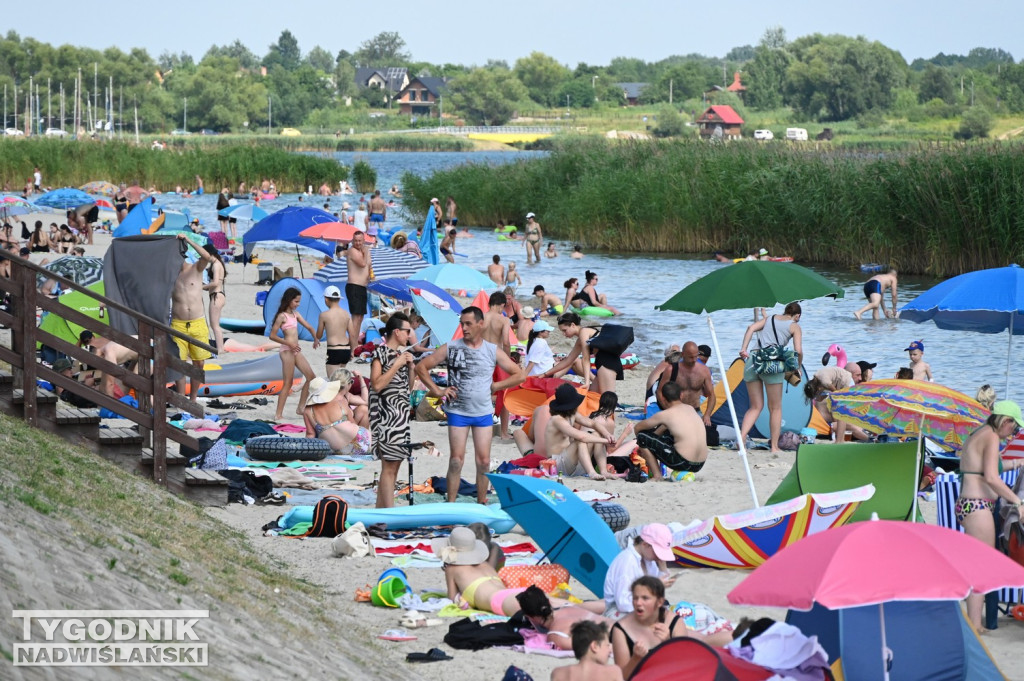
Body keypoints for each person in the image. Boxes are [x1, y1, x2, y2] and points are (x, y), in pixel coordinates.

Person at [415, 307, 525, 504]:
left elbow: (519, 374)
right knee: (456, 460)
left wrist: (496, 386)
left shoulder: (492, 350)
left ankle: (481, 501)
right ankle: (451, 503)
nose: (464, 328)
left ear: (480, 324)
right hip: (458, 411)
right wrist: (438, 391)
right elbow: (421, 367)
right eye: (462, 324)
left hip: (483, 412)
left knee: (483, 461)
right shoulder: (451, 347)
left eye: (468, 324)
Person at [957, 401, 1024, 630]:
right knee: (980, 567)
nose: (1012, 434)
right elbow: (992, 478)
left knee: (977, 565)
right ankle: (974, 625)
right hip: (977, 506)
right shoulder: (992, 436)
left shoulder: (981, 432)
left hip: (969, 504)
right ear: (1006, 421)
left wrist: (1016, 462)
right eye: (1014, 429)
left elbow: (985, 467)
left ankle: (974, 623)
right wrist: (1018, 502)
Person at [610, 577, 731, 678]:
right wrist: (636, 659)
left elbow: (685, 667)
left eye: (645, 598)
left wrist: (669, 644)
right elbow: (622, 677)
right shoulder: (621, 629)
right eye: (635, 598)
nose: (638, 603)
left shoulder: (674, 622)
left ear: (659, 602)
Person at [737, 303, 803, 453]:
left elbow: (751, 328)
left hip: (752, 360)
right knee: (775, 408)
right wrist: (797, 367)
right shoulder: (794, 326)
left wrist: (744, 348)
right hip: (772, 365)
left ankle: (741, 439)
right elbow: (798, 350)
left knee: (755, 406)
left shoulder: (769, 319)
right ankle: (774, 447)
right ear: (797, 316)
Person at [370, 313, 416, 508]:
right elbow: (377, 385)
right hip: (387, 419)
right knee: (389, 468)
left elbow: (408, 388)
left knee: (394, 468)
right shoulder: (380, 353)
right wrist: (396, 365)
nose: (410, 335)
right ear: (397, 332)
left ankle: (380, 512)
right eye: (407, 331)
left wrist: (411, 367)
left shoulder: (400, 356)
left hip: (401, 418)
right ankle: (388, 514)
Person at [433, 526, 525, 616]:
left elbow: (452, 599)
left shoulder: (451, 569)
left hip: (500, 602)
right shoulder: (486, 564)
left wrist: (464, 600)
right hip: (515, 593)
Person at [634, 382, 710, 480]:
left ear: (663, 398)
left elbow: (637, 428)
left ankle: (657, 476)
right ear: (681, 395)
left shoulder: (665, 415)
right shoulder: (690, 408)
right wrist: (652, 441)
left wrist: (642, 446)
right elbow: (665, 428)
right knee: (665, 433)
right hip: (699, 464)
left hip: (682, 462)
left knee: (642, 437)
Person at [171, 233, 214, 404]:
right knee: (178, 364)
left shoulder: (196, 268)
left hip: (197, 323)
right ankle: (181, 399)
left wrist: (188, 240)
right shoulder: (169, 275)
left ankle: (193, 399)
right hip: (178, 324)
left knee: (199, 364)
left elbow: (207, 257)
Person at [545, 383, 616, 480]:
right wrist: (606, 441)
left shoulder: (572, 414)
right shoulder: (557, 419)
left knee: (597, 433)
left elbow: (593, 424)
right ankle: (592, 473)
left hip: (571, 461)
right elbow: (581, 436)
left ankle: (603, 471)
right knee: (580, 441)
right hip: (557, 464)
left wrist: (607, 434)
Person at [268, 287, 319, 419]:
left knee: (311, 377)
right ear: (289, 300)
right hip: (286, 351)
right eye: (296, 301)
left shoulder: (295, 314)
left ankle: (300, 407)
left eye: (299, 301)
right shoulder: (282, 316)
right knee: (288, 383)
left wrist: (315, 338)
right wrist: (288, 343)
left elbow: (309, 326)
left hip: (296, 350)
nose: (298, 304)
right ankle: (278, 414)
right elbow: (272, 336)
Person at [603, 524, 676, 617]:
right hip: (618, 612)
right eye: (657, 552)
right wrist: (655, 587)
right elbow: (623, 603)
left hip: (638, 607)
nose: (658, 556)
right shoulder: (627, 561)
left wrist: (663, 566)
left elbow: (657, 589)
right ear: (645, 544)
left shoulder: (648, 560)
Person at [516, 587, 612, 654]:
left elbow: (591, 647)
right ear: (549, 602)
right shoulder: (569, 607)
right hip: (620, 625)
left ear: (530, 617)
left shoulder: (555, 635)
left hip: (615, 638)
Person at [544, 312, 620, 395]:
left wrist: (586, 382)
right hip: (604, 364)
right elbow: (568, 360)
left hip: (608, 365)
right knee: (593, 393)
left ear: (573, 325)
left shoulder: (584, 332)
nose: (564, 334)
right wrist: (545, 374)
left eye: (564, 330)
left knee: (606, 398)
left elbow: (585, 358)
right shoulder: (580, 339)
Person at [303, 373, 371, 456]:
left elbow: (310, 434)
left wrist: (306, 451)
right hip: (361, 442)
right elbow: (353, 424)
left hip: (338, 450)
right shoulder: (339, 401)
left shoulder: (307, 410)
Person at [656, 342, 715, 424]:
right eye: (691, 357)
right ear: (683, 354)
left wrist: (707, 415)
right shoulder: (671, 369)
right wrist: (667, 408)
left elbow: (711, 395)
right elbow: (659, 391)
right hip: (676, 410)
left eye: (696, 356)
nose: (694, 360)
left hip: (695, 411)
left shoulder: (704, 371)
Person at [316, 285, 352, 376]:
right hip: (346, 349)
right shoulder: (346, 314)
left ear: (326, 299)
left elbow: (319, 335)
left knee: (332, 383)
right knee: (341, 381)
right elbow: (352, 334)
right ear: (339, 299)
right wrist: (352, 350)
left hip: (334, 349)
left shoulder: (324, 315)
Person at [345, 231, 371, 350]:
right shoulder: (352, 251)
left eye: (360, 240)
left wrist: (371, 276)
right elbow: (362, 263)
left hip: (362, 287)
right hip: (354, 286)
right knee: (355, 317)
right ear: (352, 241)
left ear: (363, 240)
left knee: (360, 317)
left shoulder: (365, 251)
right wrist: (365, 252)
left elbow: (369, 265)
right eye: (355, 240)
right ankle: (353, 346)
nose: (358, 243)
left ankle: (354, 342)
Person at [203, 245, 227, 353]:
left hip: (216, 296)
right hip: (218, 295)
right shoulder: (217, 263)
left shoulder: (216, 265)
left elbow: (215, 282)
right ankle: (220, 347)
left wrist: (202, 286)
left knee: (214, 325)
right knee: (215, 324)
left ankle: (220, 349)